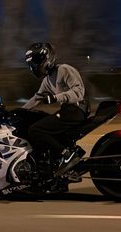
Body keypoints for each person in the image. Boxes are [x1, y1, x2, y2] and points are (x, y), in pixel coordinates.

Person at [23, 42, 90, 176]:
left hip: (76, 109)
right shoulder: (47, 80)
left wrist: (56, 97)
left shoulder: (64, 69)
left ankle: (67, 155)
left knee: (36, 130)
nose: (34, 66)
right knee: (41, 121)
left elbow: (79, 92)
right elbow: (36, 98)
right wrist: (19, 111)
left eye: (36, 62)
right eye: (32, 63)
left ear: (47, 58)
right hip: (67, 111)